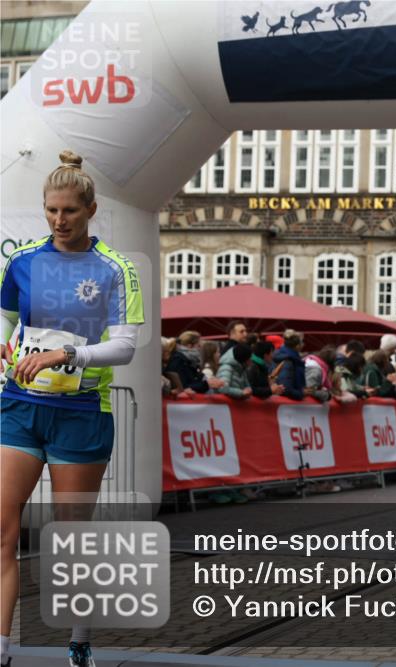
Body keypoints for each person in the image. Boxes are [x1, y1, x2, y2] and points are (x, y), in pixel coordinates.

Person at [1, 151, 145, 667]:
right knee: (3, 529)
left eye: (69, 211)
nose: (59, 221)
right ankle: (2, 647)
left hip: (82, 412)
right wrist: (6, 349)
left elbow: (126, 346)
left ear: (90, 209)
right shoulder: (22, 262)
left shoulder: (115, 269)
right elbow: (7, 324)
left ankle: (78, 638)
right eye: (50, 211)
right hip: (19, 407)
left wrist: (67, 354)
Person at [273, 330, 313, 400]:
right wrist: (301, 393)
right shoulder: (289, 360)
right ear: (297, 346)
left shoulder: (290, 357)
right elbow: (285, 387)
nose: (304, 344)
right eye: (302, 342)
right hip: (286, 405)